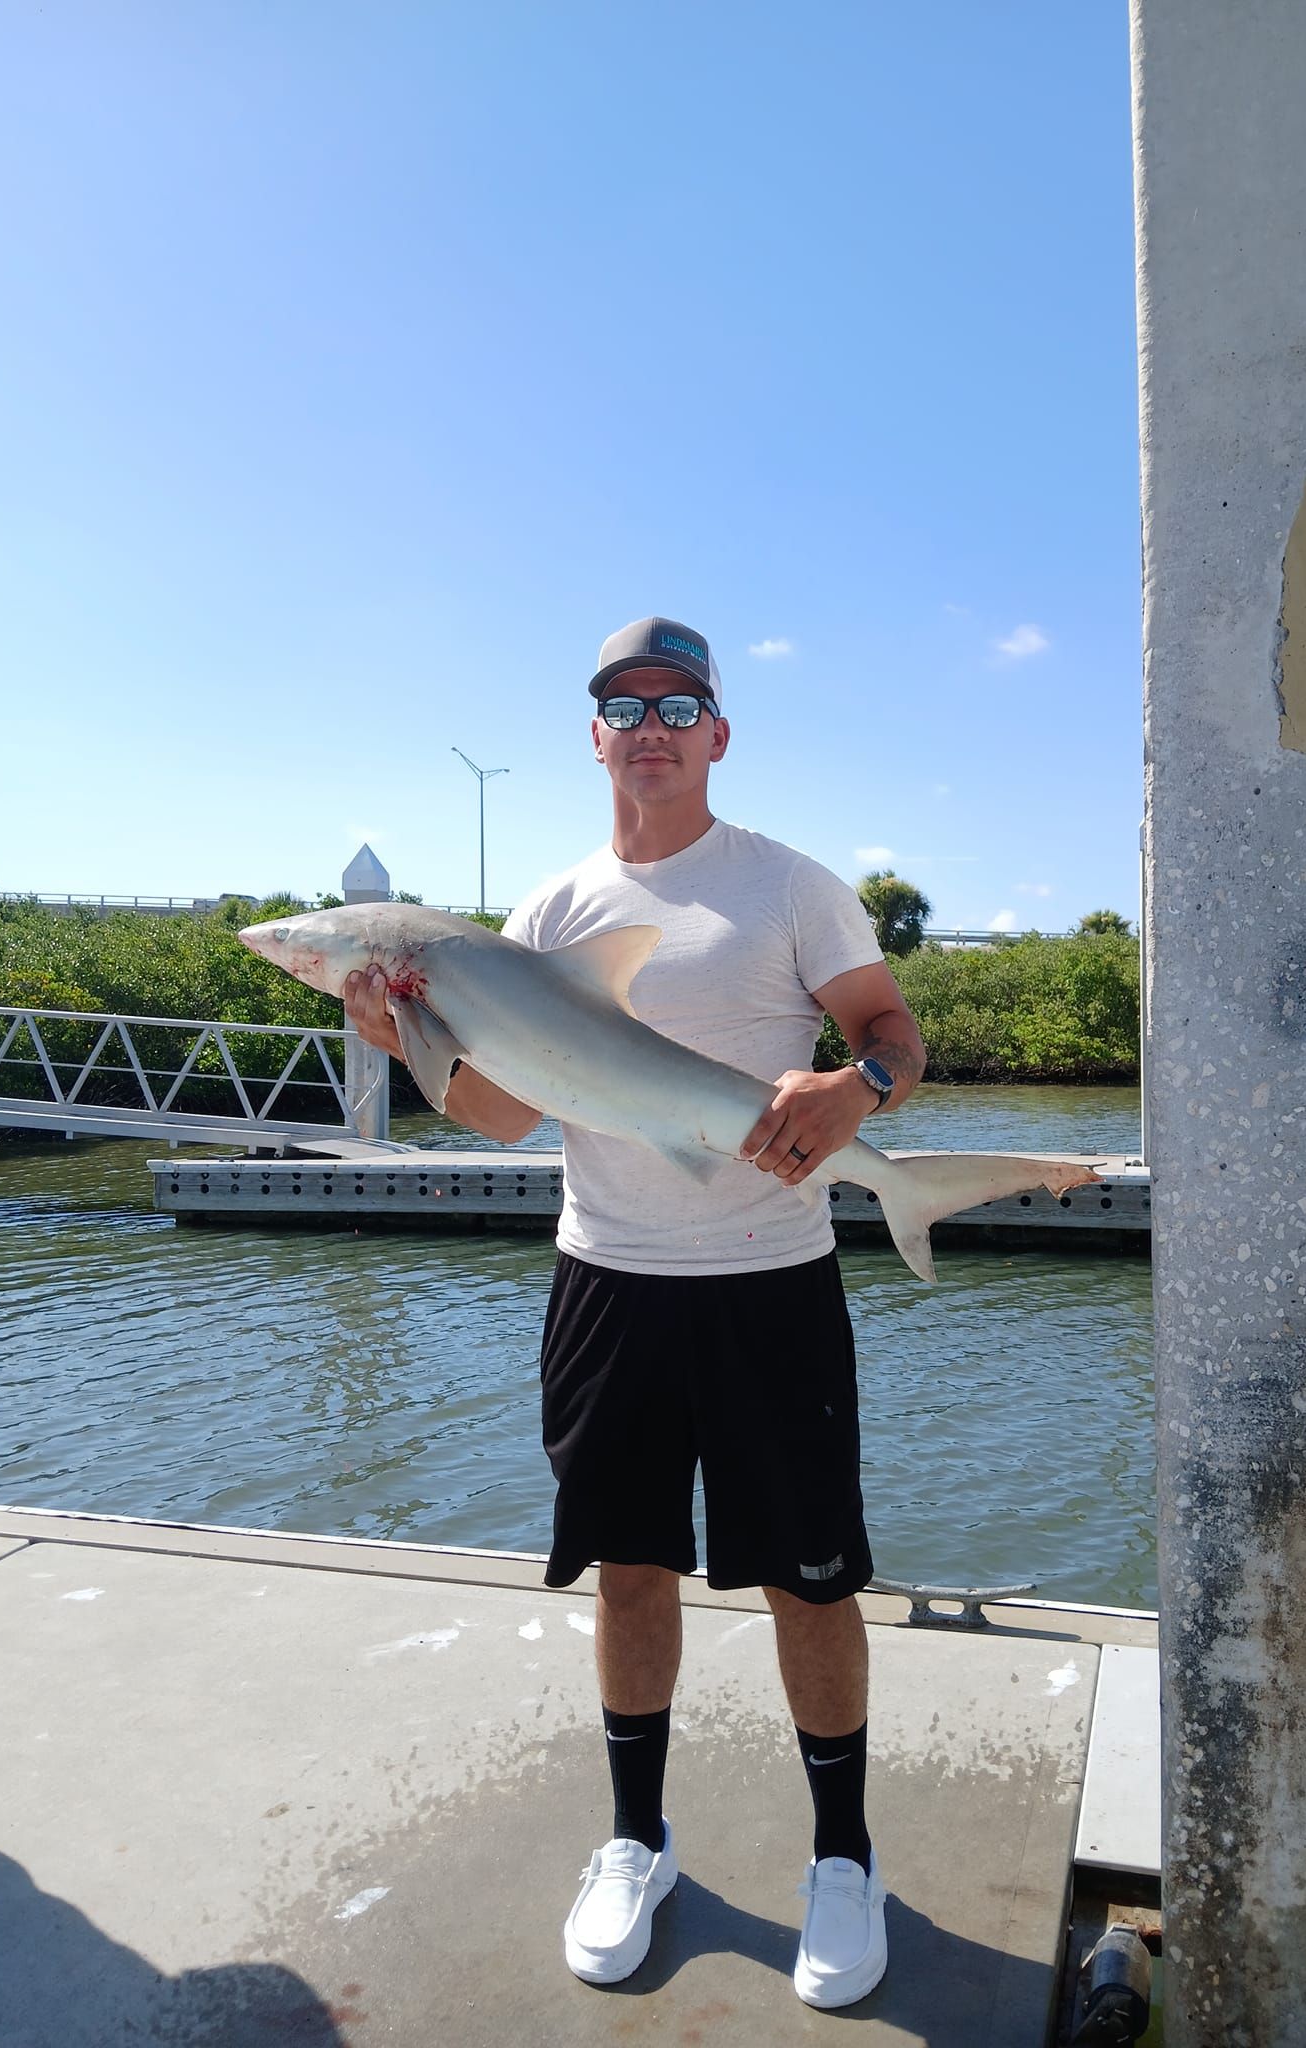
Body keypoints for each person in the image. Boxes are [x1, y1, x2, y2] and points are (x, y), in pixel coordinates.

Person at [344, 616, 925, 2011]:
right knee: (629, 1568)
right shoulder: (546, 919)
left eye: (679, 701)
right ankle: (634, 1840)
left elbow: (890, 1031)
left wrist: (863, 1092)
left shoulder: (791, 889)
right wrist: (409, 1043)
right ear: (594, 736)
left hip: (772, 1287)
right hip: (608, 1279)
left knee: (810, 1576)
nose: (651, 723)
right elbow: (503, 1118)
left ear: (719, 733)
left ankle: (842, 1859)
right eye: (623, 702)